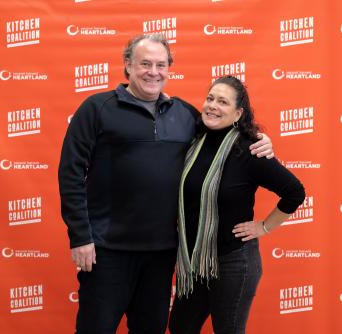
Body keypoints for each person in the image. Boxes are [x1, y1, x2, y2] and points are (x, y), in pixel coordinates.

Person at [58, 34, 274, 334]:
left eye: (161, 64)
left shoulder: (184, 113)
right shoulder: (96, 109)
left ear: (169, 69)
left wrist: (261, 139)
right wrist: (80, 237)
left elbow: (225, 130)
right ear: (128, 66)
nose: (153, 71)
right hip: (107, 250)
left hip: (162, 253)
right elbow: (70, 174)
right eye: (145, 63)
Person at [168, 76, 306, 334]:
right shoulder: (194, 140)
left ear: (238, 113)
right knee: (179, 328)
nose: (212, 106)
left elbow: (295, 192)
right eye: (210, 98)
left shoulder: (249, 149)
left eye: (223, 102)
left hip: (233, 262)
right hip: (195, 261)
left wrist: (264, 227)